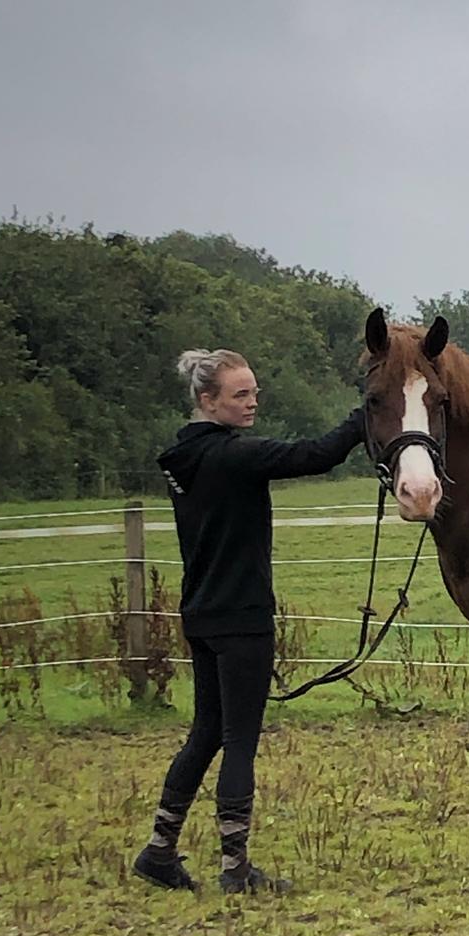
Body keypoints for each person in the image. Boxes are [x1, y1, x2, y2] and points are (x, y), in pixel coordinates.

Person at [133, 348, 367, 893]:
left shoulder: (185, 459)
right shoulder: (230, 457)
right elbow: (315, 455)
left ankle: (160, 850)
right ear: (207, 400)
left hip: (202, 614)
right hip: (242, 616)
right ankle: (236, 868)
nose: (252, 401)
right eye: (240, 394)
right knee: (239, 741)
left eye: (254, 390)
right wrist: (363, 418)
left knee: (207, 733)